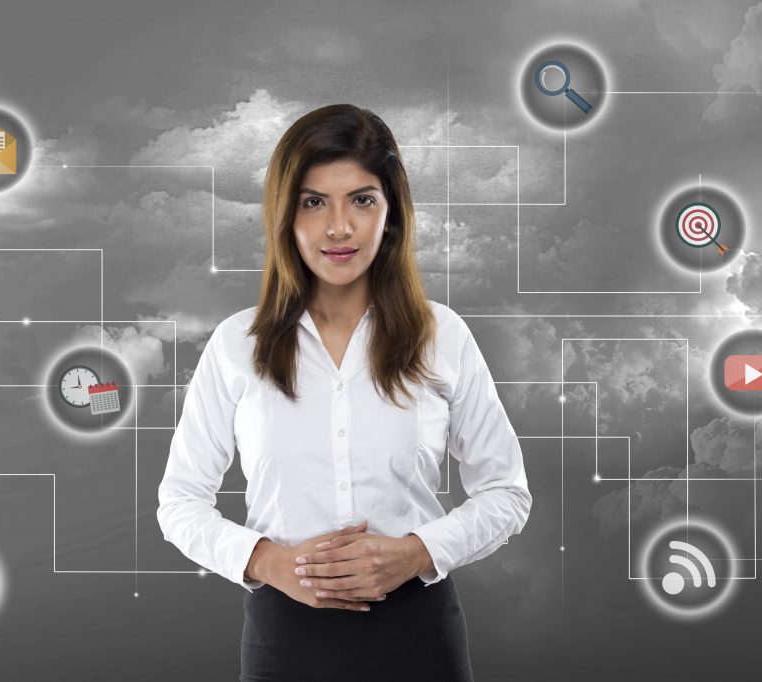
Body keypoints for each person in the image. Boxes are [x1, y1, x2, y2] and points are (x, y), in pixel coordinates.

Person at [157, 103, 531, 682]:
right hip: (285, 638)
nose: (339, 227)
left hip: (419, 636)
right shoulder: (237, 344)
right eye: (313, 202)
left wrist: (415, 553)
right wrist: (267, 560)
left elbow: (506, 492)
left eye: (362, 200)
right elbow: (179, 501)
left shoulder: (442, 336)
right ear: (285, 216)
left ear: (391, 214)